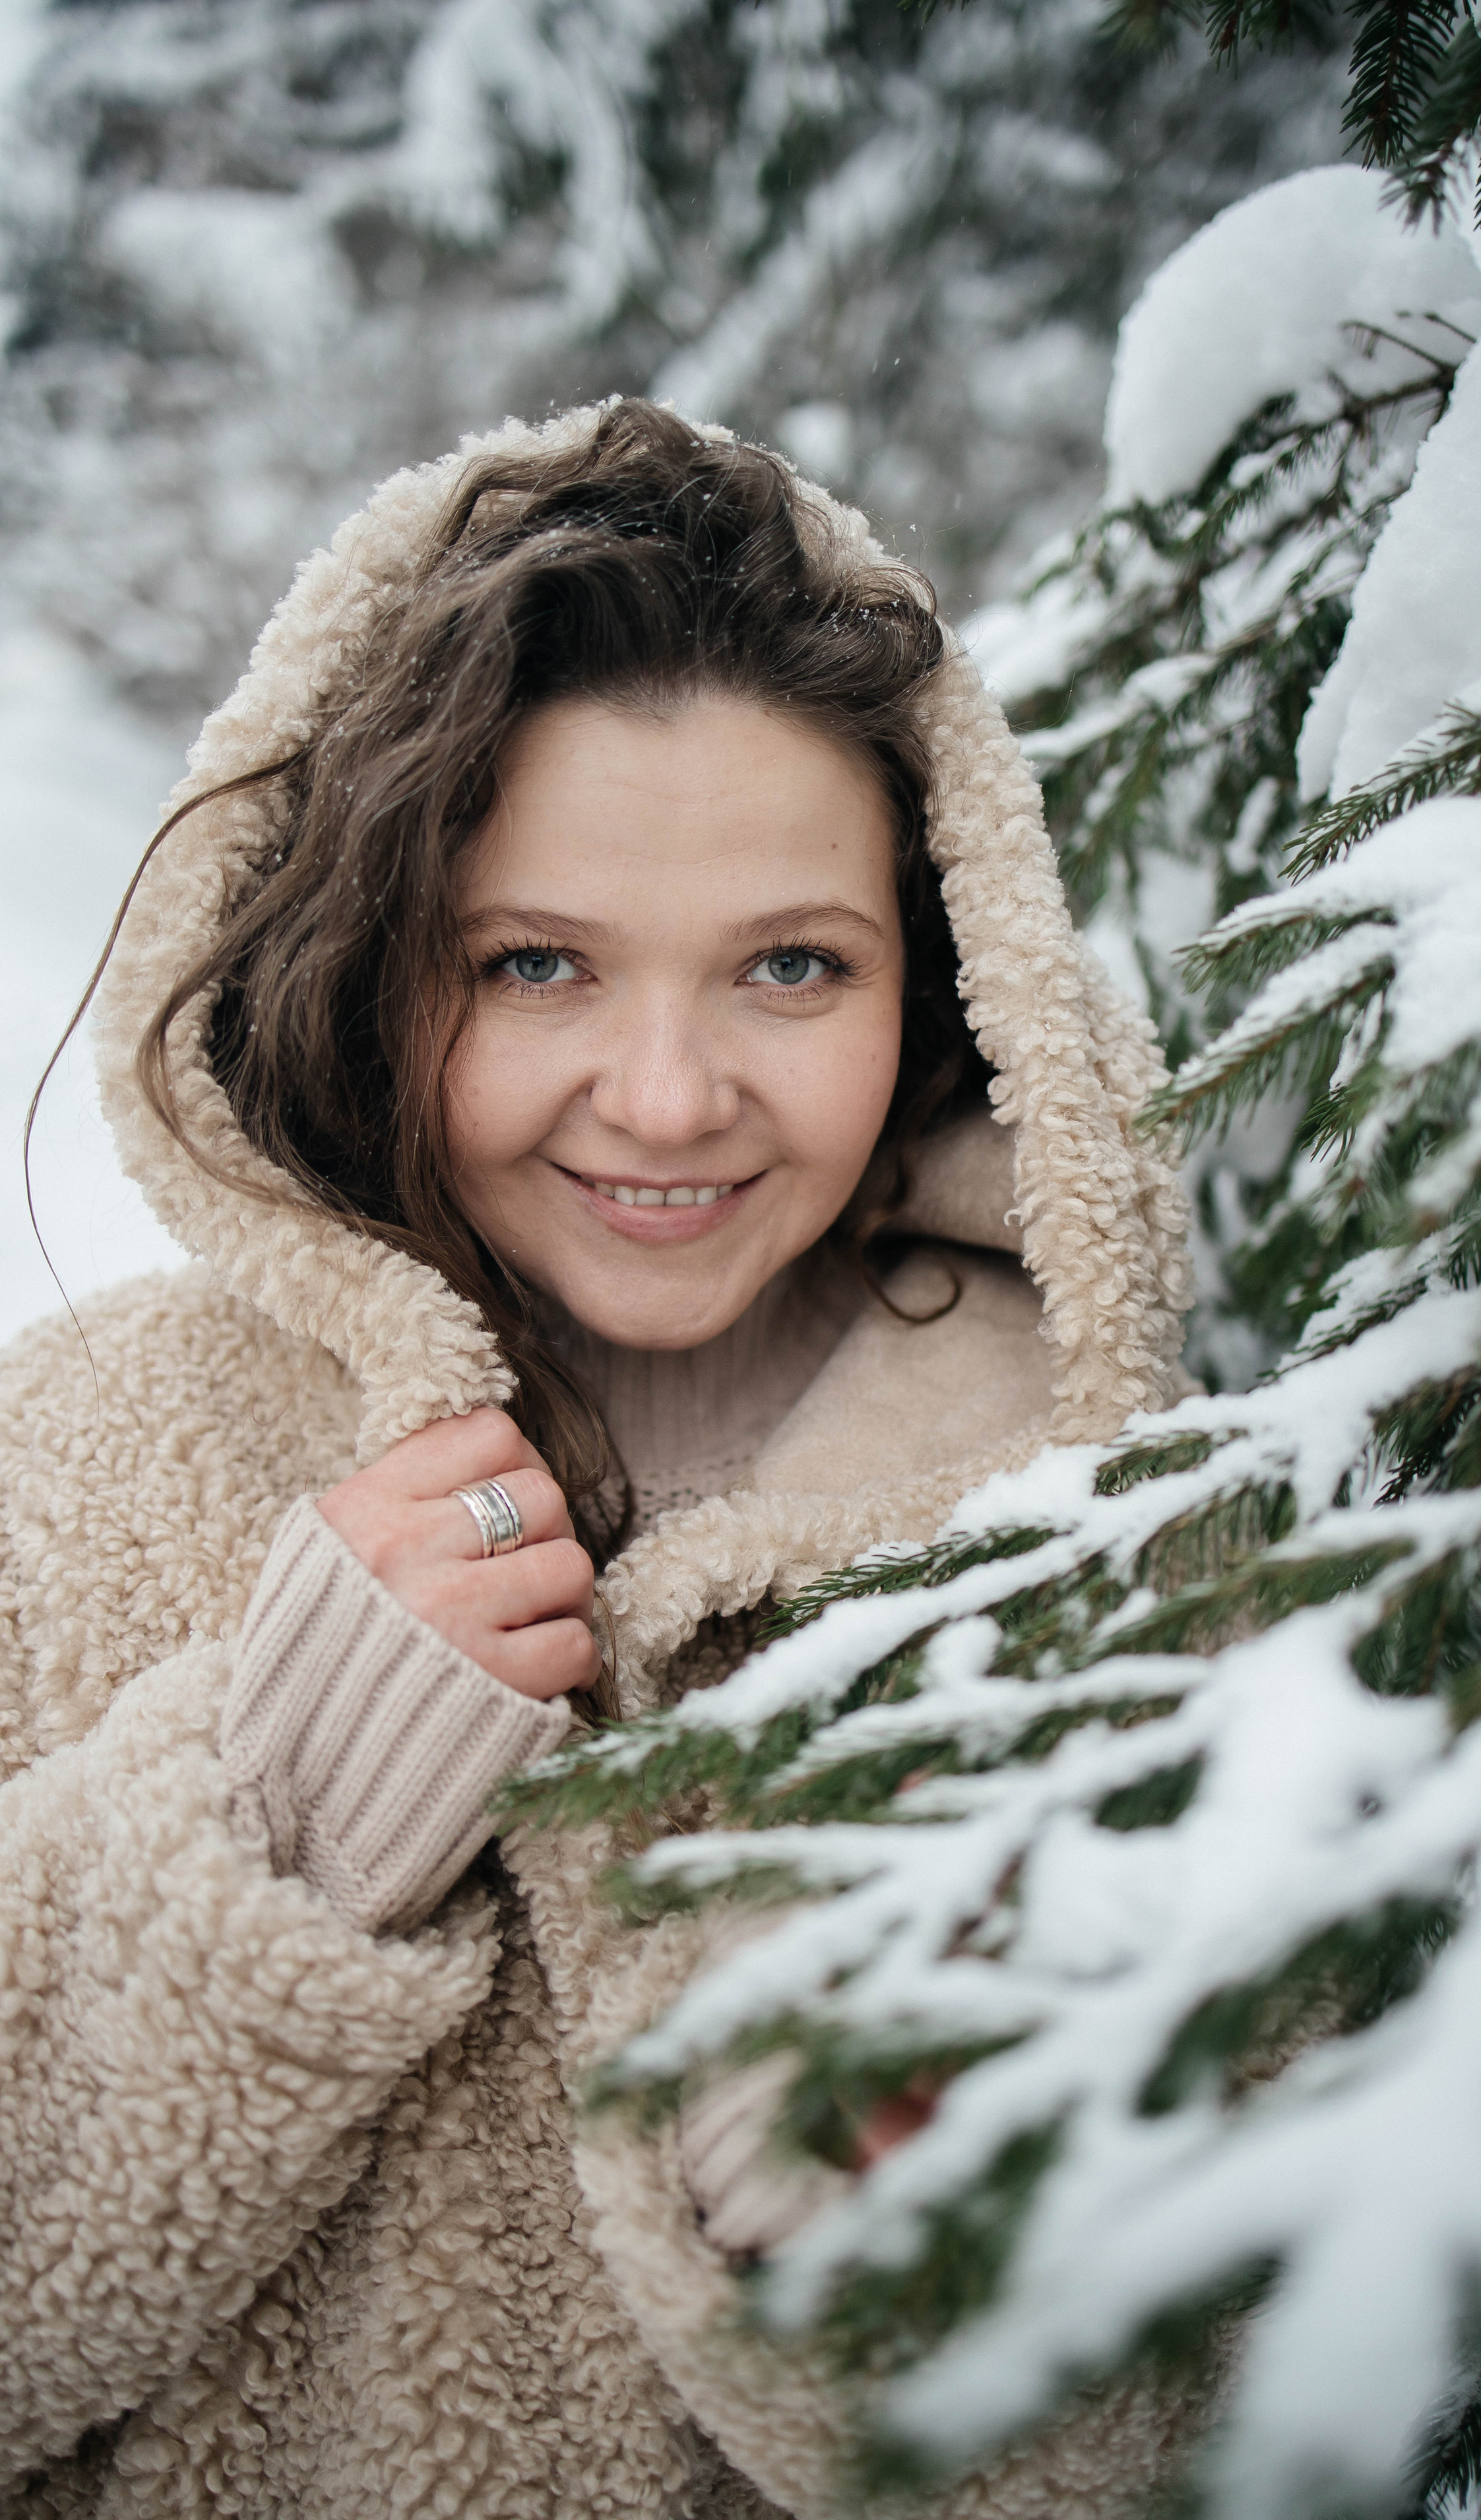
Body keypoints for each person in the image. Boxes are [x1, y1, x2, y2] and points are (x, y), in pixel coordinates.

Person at [0, 401, 1193, 2518]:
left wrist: (917, 2254)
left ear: (940, 980)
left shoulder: (1120, 1551)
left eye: (791, 966)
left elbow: (1302, 2407)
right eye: (536, 963)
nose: (665, 1098)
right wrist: (274, 1812)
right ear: (373, 967)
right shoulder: (88, 1459)